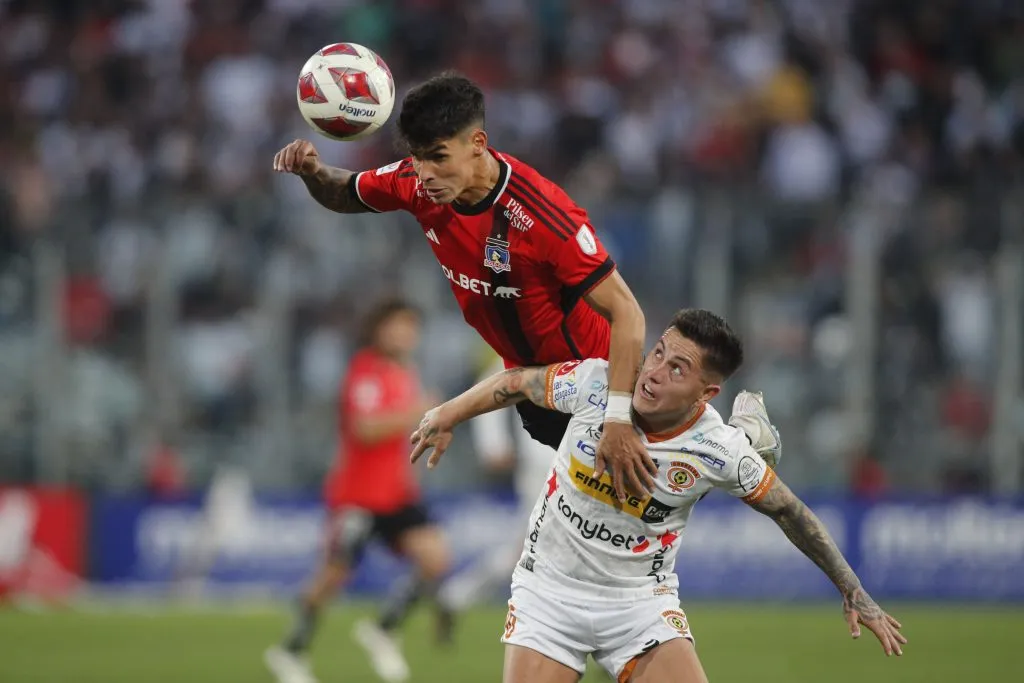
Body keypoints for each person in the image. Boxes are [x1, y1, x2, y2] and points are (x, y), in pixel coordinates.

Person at [273, 71, 775, 502]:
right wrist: (314, 172)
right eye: (417, 157)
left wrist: (619, 417)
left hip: (596, 385)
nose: (424, 173)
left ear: (477, 144)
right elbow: (346, 193)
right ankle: (734, 441)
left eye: (438, 157)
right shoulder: (417, 182)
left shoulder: (543, 216)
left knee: (638, 504)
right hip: (532, 389)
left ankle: (741, 441)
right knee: (639, 501)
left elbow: (628, 313)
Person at [410, 309, 907, 683]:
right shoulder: (598, 382)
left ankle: (758, 445)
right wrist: (447, 413)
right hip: (548, 593)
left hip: (638, 603)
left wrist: (852, 589)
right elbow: (517, 382)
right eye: (658, 352)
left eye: (678, 369)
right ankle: (761, 442)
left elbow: (791, 512)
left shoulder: (716, 449)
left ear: (706, 393)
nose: (653, 371)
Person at [265, 298, 453, 683]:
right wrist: (418, 410)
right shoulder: (365, 370)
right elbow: (365, 429)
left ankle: (384, 628)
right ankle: (290, 651)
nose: (404, 334)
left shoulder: (405, 372)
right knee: (333, 576)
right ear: (379, 329)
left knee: (435, 557)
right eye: (397, 325)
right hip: (358, 496)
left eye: (409, 327)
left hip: (396, 493)